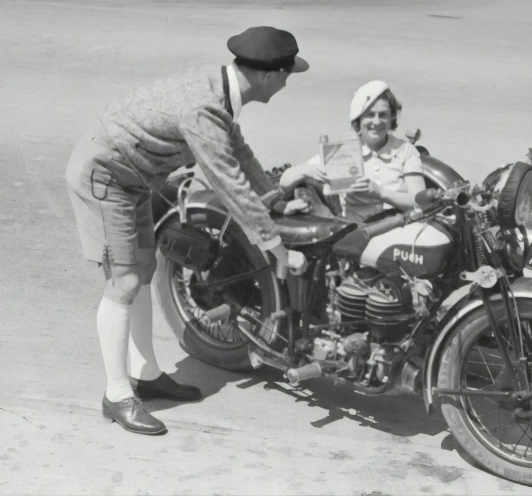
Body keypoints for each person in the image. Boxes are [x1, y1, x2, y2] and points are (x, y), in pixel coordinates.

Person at [65, 26, 310, 435]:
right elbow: (227, 181)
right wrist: (278, 249)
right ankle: (117, 394)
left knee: (142, 272)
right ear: (269, 76)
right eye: (287, 74)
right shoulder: (205, 109)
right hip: (105, 176)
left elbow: (240, 154)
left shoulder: (220, 91)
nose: (286, 83)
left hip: (133, 178)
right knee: (124, 282)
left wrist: (275, 200)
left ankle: (145, 375)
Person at [279, 80, 426, 223]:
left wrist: (381, 193)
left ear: (391, 117)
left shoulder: (406, 151)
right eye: (369, 115)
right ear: (358, 119)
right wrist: (308, 170)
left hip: (400, 228)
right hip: (356, 235)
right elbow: (285, 182)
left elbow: (421, 201)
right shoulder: (344, 149)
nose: (376, 122)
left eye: (383, 115)